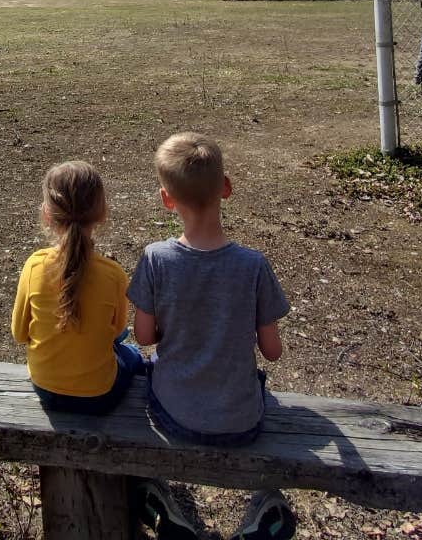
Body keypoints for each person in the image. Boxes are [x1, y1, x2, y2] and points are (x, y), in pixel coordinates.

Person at [127, 133, 296, 540]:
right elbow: (272, 353)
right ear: (226, 187)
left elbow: (144, 337)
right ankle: (261, 515)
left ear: (167, 199)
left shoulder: (155, 259)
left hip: (174, 415)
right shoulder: (253, 265)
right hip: (242, 421)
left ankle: (165, 505)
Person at [10, 161, 145, 414]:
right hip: (100, 395)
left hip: (45, 388)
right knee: (133, 355)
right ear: (102, 212)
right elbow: (116, 331)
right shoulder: (113, 274)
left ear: (47, 214)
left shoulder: (34, 266)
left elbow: (19, 334)